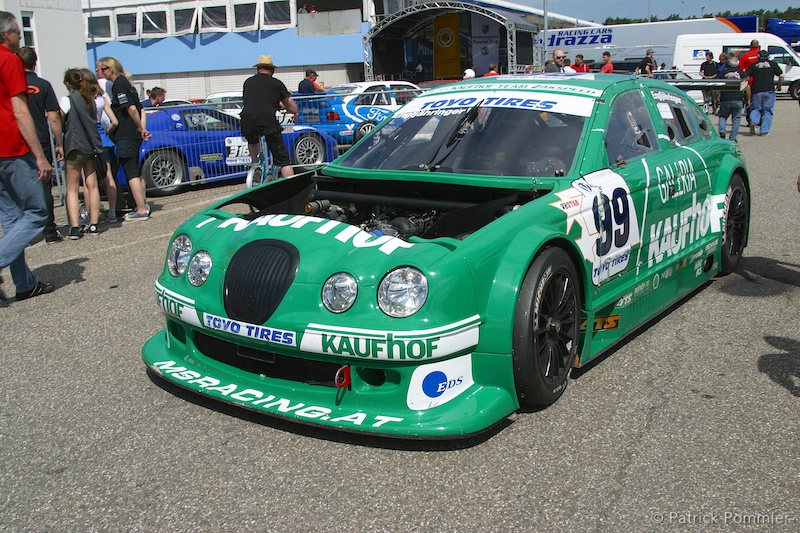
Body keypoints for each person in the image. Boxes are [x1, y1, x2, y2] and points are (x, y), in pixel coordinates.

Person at [0, 10, 55, 301]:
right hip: (10, 148)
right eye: (17, 34)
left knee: (11, 221)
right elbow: (20, 111)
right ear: (6, 35)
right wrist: (40, 155)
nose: (19, 39)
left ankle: (24, 284)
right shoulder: (8, 61)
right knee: (36, 214)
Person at [17, 46, 64, 244]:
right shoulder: (43, 85)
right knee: (44, 186)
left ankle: (23, 234)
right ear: (35, 62)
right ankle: (50, 232)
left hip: (19, 140)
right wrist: (59, 142)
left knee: (20, 187)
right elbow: (53, 118)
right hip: (41, 140)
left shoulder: (10, 85)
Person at [98, 56, 151, 220]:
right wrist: (141, 129)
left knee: (131, 172)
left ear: (110, 69)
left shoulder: (120, 84)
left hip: (126, 135)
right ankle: (141, 204)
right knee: (135, 170)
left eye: (102, 69)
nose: (100, 73)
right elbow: (140, 109)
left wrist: (140, 128)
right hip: (131, 134)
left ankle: (141, 209)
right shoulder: (126, 84)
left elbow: (132, 109)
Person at [61, 68, 103, 239]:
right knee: (91, 185)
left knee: (72, 188)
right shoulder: (90, 99)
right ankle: (94, 223)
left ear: (67, 83)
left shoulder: (67, 100)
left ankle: (75, 227)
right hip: (90, 146)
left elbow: (59, 119)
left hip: (75, 144)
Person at [240, 54, 298, 178]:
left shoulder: (248, 82)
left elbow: (257, 102)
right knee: (283, 159)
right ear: (272, 70)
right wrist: (292, 110)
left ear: (258, 69)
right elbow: (291, 107)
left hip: (247, 121)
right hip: (267, 121)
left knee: (252, 139)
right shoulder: (276, 84)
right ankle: (291, 182)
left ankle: (255, 166)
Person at [82, 68, 118, 222]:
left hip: (88, 139)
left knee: (88, 179)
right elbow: (114, 121)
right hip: (103, 137)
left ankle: (90, 213)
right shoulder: (101, 99)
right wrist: (107, 132)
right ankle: (112, 212)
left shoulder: (83, 100)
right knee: (108, 176)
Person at [746, 49, 783, 136]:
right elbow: (781, 76)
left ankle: (754, 121)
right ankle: (764, 131)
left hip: (756, 91)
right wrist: (779, 86)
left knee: (756, 109)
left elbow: (746, 77)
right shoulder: (773, 64)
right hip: (769, 90)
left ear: (758, 57)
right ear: (768, 57)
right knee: (768, 111)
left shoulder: (754, 65)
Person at [715, 57, 749, 143]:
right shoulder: (742, 74)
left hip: (725, 98)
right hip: (738, 98)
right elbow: (747, 88)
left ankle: (722, 131)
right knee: (736, 119)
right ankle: (733, 138)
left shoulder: (723, 73)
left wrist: (716, 98)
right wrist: (748, 99)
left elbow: (717, 87)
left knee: (723, 116)